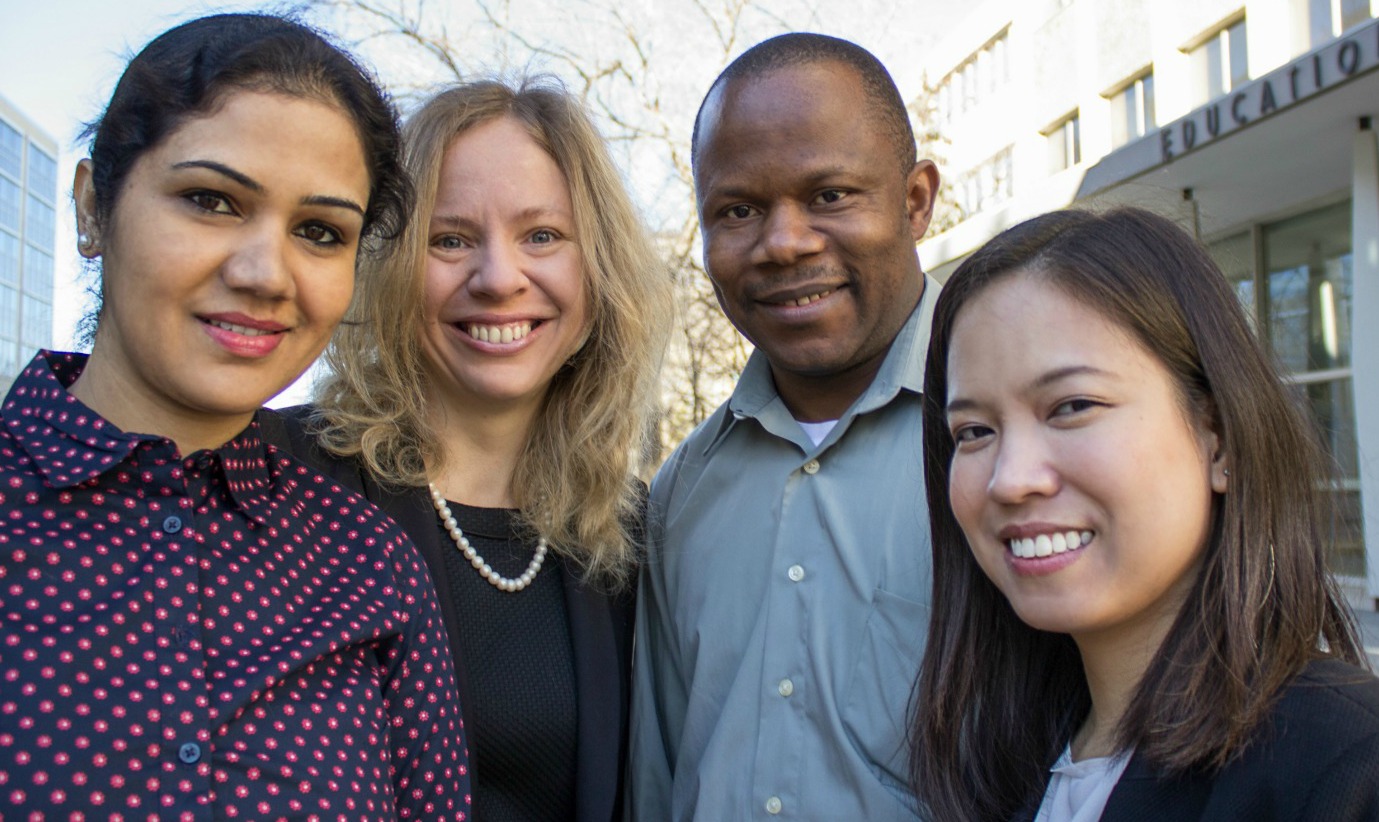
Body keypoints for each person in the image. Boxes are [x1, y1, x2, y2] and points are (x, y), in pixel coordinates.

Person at [0, 14, 472, 820]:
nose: (265, 273)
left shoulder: (369, 567)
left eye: (320, 232)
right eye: (210, 200)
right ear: (91, 207)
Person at [262, 77, 674, 821]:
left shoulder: (633, 535)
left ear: (598, 268)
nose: (498, 278)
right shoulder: (273, 479)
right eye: (449, 240)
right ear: (390, 263)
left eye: (541, 236)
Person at [910, 207, 1379, 821]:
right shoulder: (1008, 760)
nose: (1011, 479)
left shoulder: (1346, 768)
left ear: (1220, 438)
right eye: (973, 431)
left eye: (1073, 405)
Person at [626, 32, 942, 820]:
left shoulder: (1017, 445)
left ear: (915, 201)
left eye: (830, 194)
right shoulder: (682, 491)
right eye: (737, 210)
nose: (784, 243)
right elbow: (659, 774)